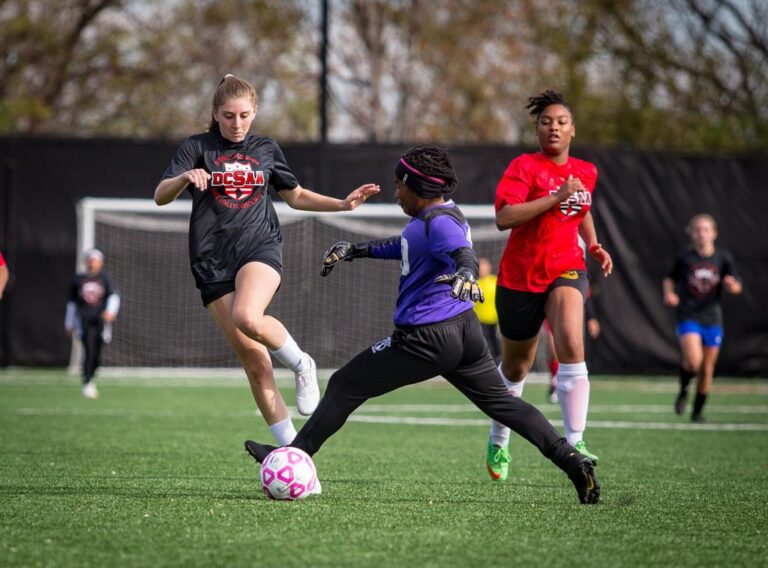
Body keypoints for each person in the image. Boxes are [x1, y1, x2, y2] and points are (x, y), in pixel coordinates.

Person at [244, 144, 600, 505]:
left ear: (419, 187)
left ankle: (294, 455)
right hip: (463, 333)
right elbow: (404, 246)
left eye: (400, 185)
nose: (396, 192)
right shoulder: (435, 217)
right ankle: (572, 460)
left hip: (426, 339)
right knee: (503, 404)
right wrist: (356, 250)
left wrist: (466, 273)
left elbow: (462, 253)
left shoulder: (440, 222)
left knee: (344, 384)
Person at [154, 74, 380, 447]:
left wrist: (342, 204)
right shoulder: (197, 147)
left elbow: (296, 196)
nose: (237, 123)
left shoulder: (266, 148)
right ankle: (296, 454)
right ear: (215, 113)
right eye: (228, 116)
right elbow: (161, 195)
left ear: (255, 111)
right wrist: (183, 177)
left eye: (244, 115)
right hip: (211, 261)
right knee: (255, 362)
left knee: (248, 316)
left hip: (259, 246)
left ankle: (301, 363)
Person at [485, 90, 613, 483]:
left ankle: (576, 440)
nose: (553, 127)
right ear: (536, 129)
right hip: (520, 278)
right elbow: (505, 218)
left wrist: (592, 244)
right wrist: (555, 196)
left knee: (571, 340)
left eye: (561, 122)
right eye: (546, 122)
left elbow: (581, 207)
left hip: (566, 269)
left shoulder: (585, 170)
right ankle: (498, 438)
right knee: (516, 367)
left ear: (573, 129)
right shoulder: (524, 167)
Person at [663, 213, 742, 422]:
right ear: (691, 233)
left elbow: (736, 284)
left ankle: (697, 412)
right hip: (688, 315)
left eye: (706, 230)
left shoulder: (723, 258)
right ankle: (683, 389)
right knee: (694, 361)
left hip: (712, 318)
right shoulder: (685, 258)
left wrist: (732, 286)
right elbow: (669, 279)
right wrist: (669, 293)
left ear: (714, 233)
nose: (702, 234)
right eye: (697, 230)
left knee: (707, 369)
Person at [65, 248, 121, 399]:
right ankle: (87, 381)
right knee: (88, 350)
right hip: (84, 320)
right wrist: (69, 323)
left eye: (95, 260)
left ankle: (91, 378)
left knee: (97, 353)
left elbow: (113, 297)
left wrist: (111, 312)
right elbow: (72, 303)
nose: (92, 263)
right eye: (90, 260)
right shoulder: (78, 279)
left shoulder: (105, 278)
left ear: (100, 262)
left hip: (100, 321)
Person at [473, 257, 501, 362]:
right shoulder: (474, 284)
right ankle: (487, 362)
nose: (482, 269)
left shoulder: (495, 281)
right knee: (485, 343)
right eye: (480, 267)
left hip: (494, 320)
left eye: (484, 267)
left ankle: (498, 362)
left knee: (496, 342)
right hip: (480, 320)